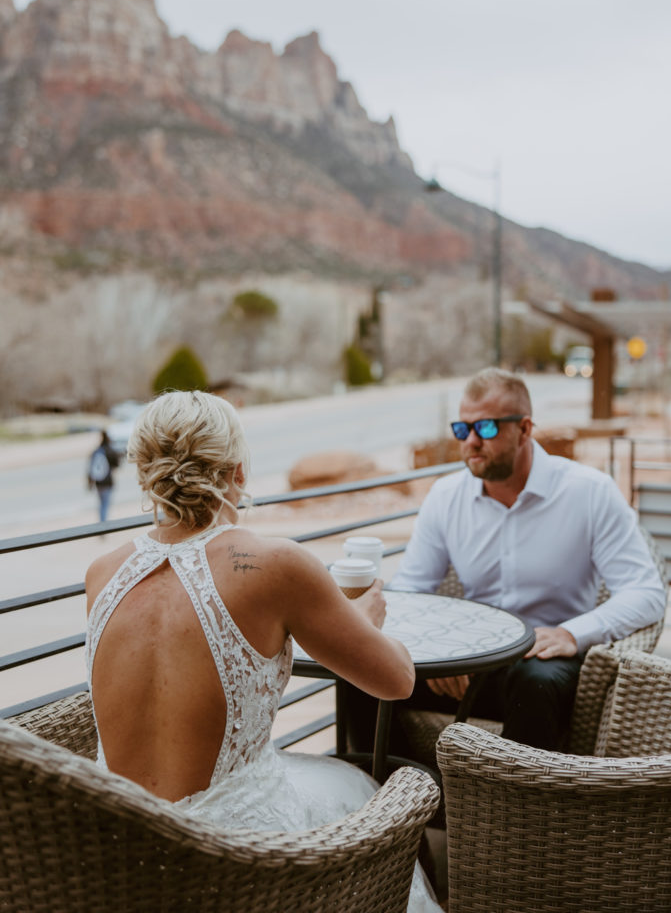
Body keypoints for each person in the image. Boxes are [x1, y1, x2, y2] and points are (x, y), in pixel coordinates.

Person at [84, 391, 439, 913]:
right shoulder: (273, 565)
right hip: (238, 858)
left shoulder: (102, 571)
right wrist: (368, 621)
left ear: (143, 471)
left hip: (119, 845)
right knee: (357, 786)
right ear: (240, 471)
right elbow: (396, 681)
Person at [350, 367, 666, 753]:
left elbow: (646, 592)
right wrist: (439, 651)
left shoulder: (589, 492)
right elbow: (413, 589)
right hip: (469, 659)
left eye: (485, 428)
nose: (471, 442)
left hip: (546, 659)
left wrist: (572, 633)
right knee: (360, 672)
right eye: (462, 429)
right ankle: (393, 794)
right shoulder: (446, 496)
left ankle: (515, 808)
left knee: (534, 681)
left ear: (525, 429)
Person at [86, 430, 120, 522]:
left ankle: (102, 522)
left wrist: (89, 482)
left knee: (101, 504)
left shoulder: (96, 451)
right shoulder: (110, 450)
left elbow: (91, 468)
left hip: (99, 482)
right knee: (105, 504)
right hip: (108, 482)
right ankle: (103, 524)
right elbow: (117, 464)